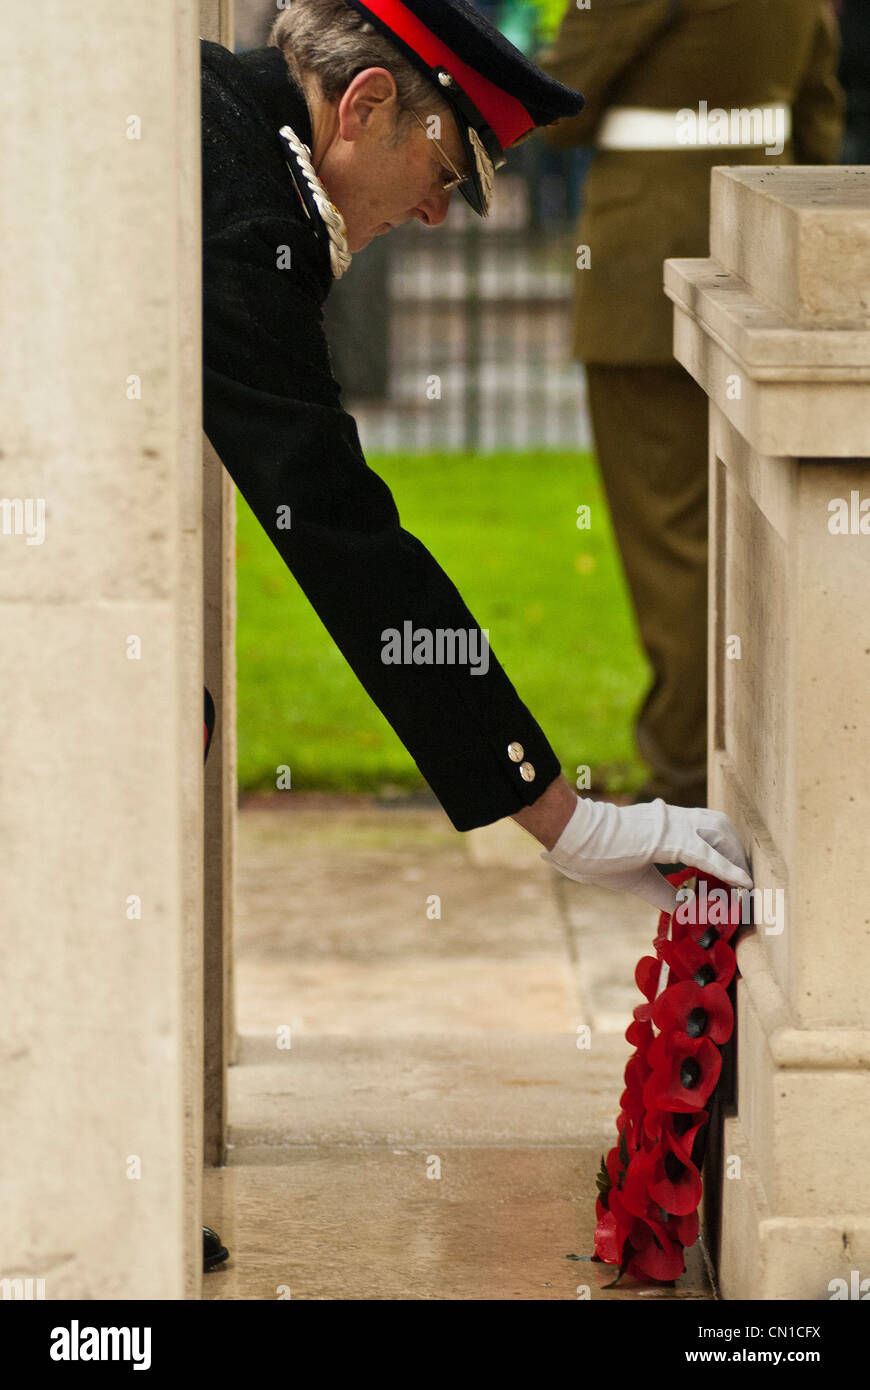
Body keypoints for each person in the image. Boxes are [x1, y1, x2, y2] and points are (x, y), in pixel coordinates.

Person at [200, 0, 753, 1270]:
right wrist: (560, 814)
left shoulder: (223, 127)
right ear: (367, 106)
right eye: (443, 172)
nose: (437, 213)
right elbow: (336, 528)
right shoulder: (247, 213)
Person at [538, 0, 845, 808]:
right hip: (762, 272)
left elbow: (555, 107)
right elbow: (816, 125)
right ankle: (765, 764)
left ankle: (685, 777)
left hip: (646, 281)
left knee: (673, 541)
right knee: (759, 535)